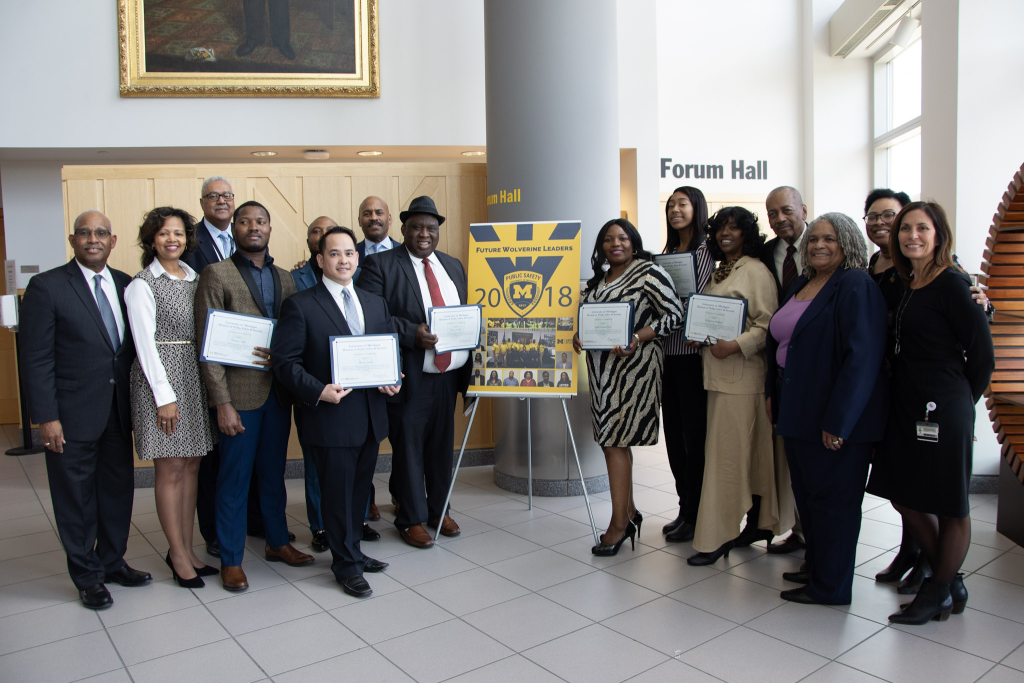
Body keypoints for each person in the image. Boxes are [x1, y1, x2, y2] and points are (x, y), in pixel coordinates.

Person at [867, 202, 994, 624]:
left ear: (939, 234)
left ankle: (937, 589)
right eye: (906, 229)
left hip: (944, 406)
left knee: (950, 504)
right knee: (904, 494)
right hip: (907, 404)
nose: (911, 236)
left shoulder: (955, 284)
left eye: (922, 228)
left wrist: (961, 408)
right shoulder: (910, 281)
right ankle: (949, 581)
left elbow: (983, 358)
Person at [19, 210, 152, 610]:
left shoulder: (127, 284)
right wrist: (46, 417)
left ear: (112, 241)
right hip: (70, 414)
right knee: (75, 498)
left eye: (100, 233)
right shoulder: (46, 287)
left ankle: (112, 562)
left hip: (118, 411)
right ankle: (87, 576)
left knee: (116, 491)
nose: (92, 238)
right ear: (73, 240)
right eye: (84, 233)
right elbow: (36, 358)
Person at [765, 213, 889, 605]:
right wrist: (773, 393)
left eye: (829, 239)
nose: (818, 244)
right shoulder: (804, 282)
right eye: (814, 238)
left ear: (848, 243)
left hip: (833, 416)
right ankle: (817, 572)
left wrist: (840, 422)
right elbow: (784, 344)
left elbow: (862, 360)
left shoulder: (855, 284)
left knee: (834, 504)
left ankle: (832, 587)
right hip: (796, 409)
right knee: (810, 499)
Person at [273, 227, 400, 597]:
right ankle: (345, 566)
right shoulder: (300, 304)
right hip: (331, 417)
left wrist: (394, 378)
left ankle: (354, 552)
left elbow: (386, 352)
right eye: (334, 254)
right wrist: (319, 390)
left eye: (349, 253)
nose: (343, 260)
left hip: (370, 416)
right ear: (320, 260)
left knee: (359, 491)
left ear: (357, 258)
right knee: (337, 494)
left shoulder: (374, 302)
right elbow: (284, 362)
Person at [194, 201, 313, 592]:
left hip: (278, 396)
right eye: (244, 221)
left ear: (269, 227)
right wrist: (221, 403)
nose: (253, 227)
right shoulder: (216, 274)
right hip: (238, 399)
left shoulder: (287, 278)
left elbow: (295, 332)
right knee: (233, 480)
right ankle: (231, 559)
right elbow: (207, 346)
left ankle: (277, 542)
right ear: (235, 228)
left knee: (273, 477)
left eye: (260, 221)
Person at [359, 196, 472, 549]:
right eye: (417, 227)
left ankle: (439, 509)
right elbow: (371, 317)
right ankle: (410, 517)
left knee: (441, 448)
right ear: (403, 229)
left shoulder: (452, 266)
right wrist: (412, 334)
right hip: (411, 374)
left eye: (431, 228)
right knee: (408, 448)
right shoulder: (380, 265)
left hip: (449, 375)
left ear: (439, 232)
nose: (424, 234)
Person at [572, 218, 684, 556]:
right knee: (612, 442)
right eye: (608, 239)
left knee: (614, 442)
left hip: (633, 371)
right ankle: (630, 513)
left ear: (634, 243)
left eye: (622, 238)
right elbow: (590, 319)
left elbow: (674, 315)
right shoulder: (597, 281)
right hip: (601, 371)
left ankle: (619, 524)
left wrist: (636, 336)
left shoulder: (649, 273)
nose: (614, 244)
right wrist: (581, 336)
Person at [126, 207, 217, 589]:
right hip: (161, 381)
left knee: (192, 465)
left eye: (178, 233)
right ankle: (177, 554)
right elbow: (145, 346)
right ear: (151, 240)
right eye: (163, 234)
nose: (172, 240)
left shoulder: (196, 277)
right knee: (170, 468)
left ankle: (187, 548)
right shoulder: (143, 284)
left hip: (193, 378)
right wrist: (164, 397)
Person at [689, 207, 780, 566]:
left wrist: (734, 345)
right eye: (720, 229)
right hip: (719, 380)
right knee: (737, 458)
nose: (726, 234)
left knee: (726, 462)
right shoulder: (719, 271)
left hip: (742, 380)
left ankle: (717, 537)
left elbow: (767, 325)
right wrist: (699, 335)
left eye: (734, 228)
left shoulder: (755, 271)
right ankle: (752, 526)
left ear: (747, 233)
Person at [659, 186, 716, 543]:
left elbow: (714, 299)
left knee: (696, 439)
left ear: (696, 207)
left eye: (682, 203)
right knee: (674, 437)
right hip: (667, 355)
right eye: (671, 204)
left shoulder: (709, 251)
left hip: (696, 357)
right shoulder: (666, 253)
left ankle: (698, 513)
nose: (675, 209)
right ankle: (684, 508)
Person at [186, 176, 236, 559]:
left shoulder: (246, 240)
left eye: (226, 195)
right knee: (212, 456)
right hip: (204, 360)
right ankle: (214, 531)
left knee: (239, 453)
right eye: (214, 196)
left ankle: (241, 521)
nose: (221, 201)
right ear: (202, 203)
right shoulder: (189, 243)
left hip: (246, 367)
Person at [759, 185, 808, 556]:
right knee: (790, 454)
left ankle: (814, 537)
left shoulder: (824, 245)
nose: (780, 219)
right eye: (773, 213)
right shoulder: (766, 254)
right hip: (777, 364)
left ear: (803, 209)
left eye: (786, 210)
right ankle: (798, 529)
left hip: (818, 366)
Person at [290, 215, 338, 553]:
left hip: (352, 382)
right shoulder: (294, 278)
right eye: (315, 231)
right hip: (313, 382)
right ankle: (320, 525)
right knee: (315, 461)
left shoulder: (353, 275)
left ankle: (358, 519)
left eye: (327, 230)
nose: (320, 234)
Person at [356, 196, 401, 264]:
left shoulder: (406, 252)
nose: (373, 218)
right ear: (359, 221)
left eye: (379, 213)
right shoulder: (352, 253)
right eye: (367, 214)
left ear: (389, 219)